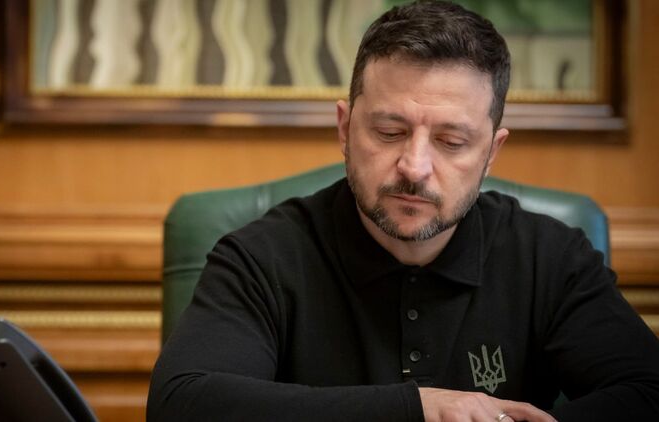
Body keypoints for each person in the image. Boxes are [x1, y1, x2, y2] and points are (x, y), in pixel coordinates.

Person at [147, 1, 659, 421]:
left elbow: (649, 391)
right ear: (345, 129)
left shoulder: (549, 255)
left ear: (491, 152)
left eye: (452, 141)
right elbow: (182, 405)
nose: (414, 166)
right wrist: (418, 408)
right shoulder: (262, 257)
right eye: (389, 132)